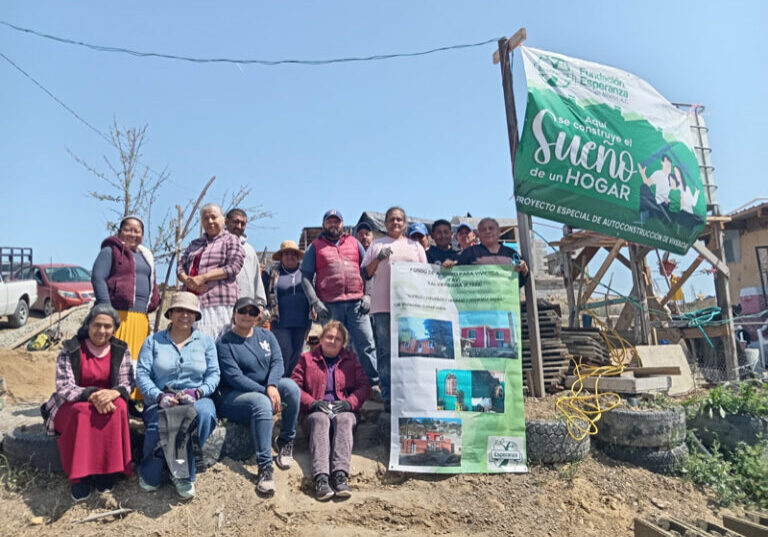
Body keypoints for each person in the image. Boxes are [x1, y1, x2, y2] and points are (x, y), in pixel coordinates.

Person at [41, 304, 133, 501]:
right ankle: (80, 477)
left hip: (108, 399)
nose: (101, 331)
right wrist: (92, 395)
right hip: (73, 401)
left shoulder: (120, 349)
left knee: (119, 409)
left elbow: (127, 383)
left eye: (107, 326)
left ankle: (106, 473)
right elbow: (64, 386)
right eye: (96, 325)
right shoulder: (71, 348)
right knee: (83, 413)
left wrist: (112, 393)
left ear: (114, 329)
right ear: (88, 325)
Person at [136, 292, 220, 500]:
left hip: (196, 397)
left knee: (203, 416)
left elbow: (213, 374)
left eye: (191, 312)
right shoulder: (152, 342)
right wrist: (158, 396)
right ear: (170, 314)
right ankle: (152, 471)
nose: (185, 315)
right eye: (180, 310)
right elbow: (142, 374)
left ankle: (181, 474)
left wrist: (198, 392)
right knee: (159, 425)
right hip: (162, 397)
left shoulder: (206, 342)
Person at [216, 297, 300, 495]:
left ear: (258, 316)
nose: (247, 315)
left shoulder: (266, 336)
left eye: (252, 312)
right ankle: (265, 466)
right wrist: (266, 391)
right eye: (242, 311)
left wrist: (271, 385)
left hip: (266, 387)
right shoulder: (225, 343)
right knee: (262, 403)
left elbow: (277, 362)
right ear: (234, 314)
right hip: (234, 397)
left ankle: (285, 440)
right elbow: (235, 378)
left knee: (291, 388)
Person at [291, 321, 370, 501]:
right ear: (321, 339)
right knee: (321, 420)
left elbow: (364, 386)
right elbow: (295, 386)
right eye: (329, 337)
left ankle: (340, 475)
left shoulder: (351, 360)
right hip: (314, 412)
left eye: (337, 339)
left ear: (343, 343)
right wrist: (312, 403)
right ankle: (321, 478)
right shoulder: (307, 359)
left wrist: (350, 403)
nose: (332, 341)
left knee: (346, 419)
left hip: (341, 409)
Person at [300, 209, 378, 388]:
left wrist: (368, 295)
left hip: (357, 304)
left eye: (337, 221)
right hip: (329, 306)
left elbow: (368, 271)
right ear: (324, 224)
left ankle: (373, 384)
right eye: (330, 221)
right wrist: (315, 302)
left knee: (366, 343)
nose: (333, 225)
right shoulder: (315, 247)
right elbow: (305, 276)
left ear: (342, 224)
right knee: (333, 346)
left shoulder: (354, 243)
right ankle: (336, 385)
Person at [361, 206, 427, 408]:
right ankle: (389, 396)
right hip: (383, 308)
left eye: (399, 219)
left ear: (404, 223)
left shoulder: (415, 247)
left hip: (409, 309)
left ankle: (410, 393)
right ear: (385, 223)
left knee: (412, 351)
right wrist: (379, 258)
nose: (395, 223)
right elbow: (366, 273)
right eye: (391, 220)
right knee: (385, 352)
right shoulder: (376, 245)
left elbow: (426, 276)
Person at [91, 215, 160, 399]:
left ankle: (131, 400)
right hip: (117, 315)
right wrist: (106, 310)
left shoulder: (146, 256)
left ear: (142, 235)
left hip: (140, 318)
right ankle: (112, 397)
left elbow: (152, 282)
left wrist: (155, 302)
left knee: (138, 363)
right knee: (116, 360)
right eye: (128, 229)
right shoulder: (110, 251)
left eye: (137, 231)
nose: (132, 234)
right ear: (120, 231)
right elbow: (98, 277)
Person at [178, 203, 245, 340]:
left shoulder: (231, 240)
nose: (210, 221)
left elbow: (234, 266)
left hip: (220, 303)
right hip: (193, 304)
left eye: (213, 217)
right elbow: (180, 266)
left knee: (219, 345)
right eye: (205, 218)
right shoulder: (194, 244)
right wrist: (188, 281)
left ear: (223, 220)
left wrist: (203, 277)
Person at [262, 240, 312, 376]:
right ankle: (278, 381)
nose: (290, 257)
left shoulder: (306, 272)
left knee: (297, 354)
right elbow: (262, 292)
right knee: (284, 351)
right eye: (286, 254)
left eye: (294, 254)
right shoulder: (270, 272)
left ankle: (291, 382)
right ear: (281, 257)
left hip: (302, 321)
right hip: (280, 321)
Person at [457, 217, 529, 286]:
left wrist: (524, 272)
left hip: (505, 297)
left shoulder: (511, 253)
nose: (487, 231)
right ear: (479, 234)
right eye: (483, 229)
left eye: (491, 228)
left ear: (498, 232)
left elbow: (519, 282)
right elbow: (456, 276)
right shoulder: (469, 253)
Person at [225, 208, 267, 306]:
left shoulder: (249, 250)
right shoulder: (216, 245)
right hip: (222, 304)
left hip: (246, 308)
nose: (239, 226)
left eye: (243, 224)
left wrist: (260, 304)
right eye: (235, 222)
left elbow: (257, 278)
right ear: (226, 222)